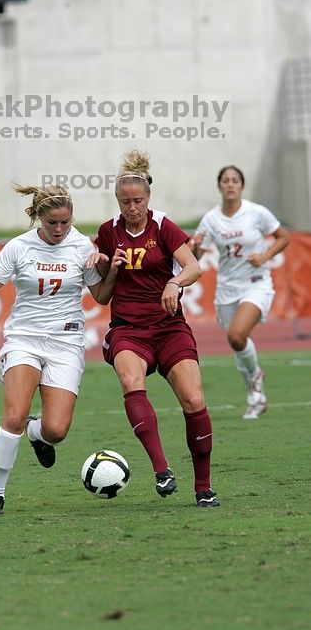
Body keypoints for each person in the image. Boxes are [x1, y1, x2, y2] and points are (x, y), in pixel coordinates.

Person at [0, 184, 114, 515]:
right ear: (39, 217)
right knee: (14, 416)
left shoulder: (81, 246)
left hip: (66, 342)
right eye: (53, 223)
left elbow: (103, 297)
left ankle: (37, 432)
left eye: (65, 222)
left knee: (56, 430)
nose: (60, 230)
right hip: (24, 338)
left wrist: (110, 267)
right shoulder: (19, 247)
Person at [93, 149, 220, 507]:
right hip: (128, 329)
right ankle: (162, 469)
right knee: (131, 382)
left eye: (137, 200)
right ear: (117, 201)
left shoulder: (163, 226)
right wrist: (105, 263)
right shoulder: (108, 232)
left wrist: (174, 283)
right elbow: (101, 287)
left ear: (148, 198)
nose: (132, 207)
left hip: (168, 327)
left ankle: (203, 487)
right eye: (125, 201)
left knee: (194, 400)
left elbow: (192, 267)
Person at [191, 165, 289, 419]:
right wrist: (196, 246)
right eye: (226, 180)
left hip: (256, 283)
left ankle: (255, 378)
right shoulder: (212, 219)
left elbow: (283, 237)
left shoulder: (256, 212)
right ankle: (257, 396)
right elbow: (196, 256)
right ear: (220, 186)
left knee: (236, 335)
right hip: (227, 288)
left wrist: (265, 255)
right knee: (237, 342)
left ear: (242, 185)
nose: (230, 184)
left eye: (235, 180)